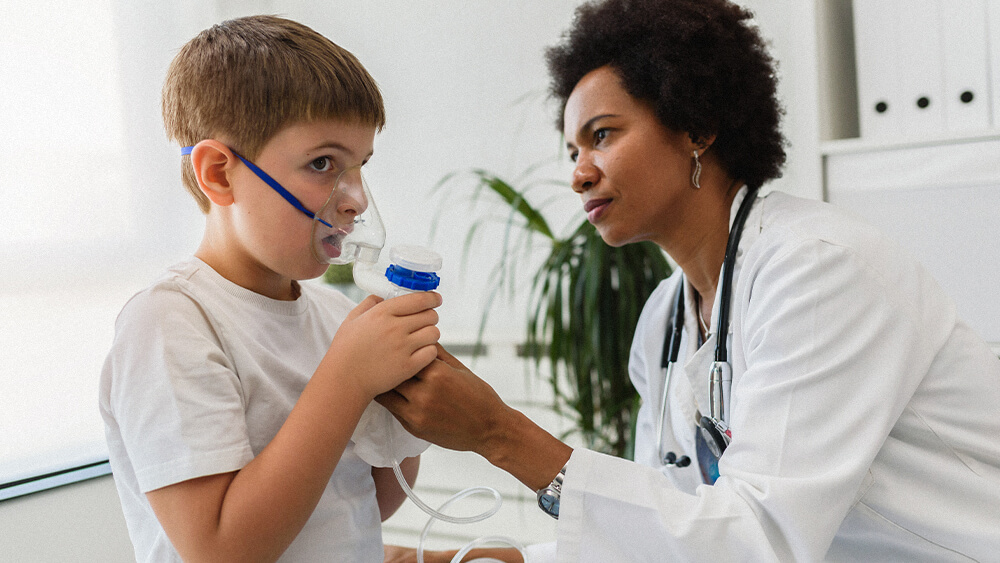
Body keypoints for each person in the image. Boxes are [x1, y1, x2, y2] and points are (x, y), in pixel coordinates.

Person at [378, 0, 1000, 561]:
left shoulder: (816, 269)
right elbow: (674, 530)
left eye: (603, 135)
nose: (579, 175)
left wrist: (497, 431)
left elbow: (759, 540)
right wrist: (473, 560)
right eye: (572, 152)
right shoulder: (663, 324)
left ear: (696, 126)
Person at [99, 15, 442, 562]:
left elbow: (365, 506)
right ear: (219, 173)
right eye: (323, 163)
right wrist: (349, 378)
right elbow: (220, 550)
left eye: (360, 167)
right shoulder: (170, 323)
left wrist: (398, 404)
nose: (354, 199)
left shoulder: (334, 316)